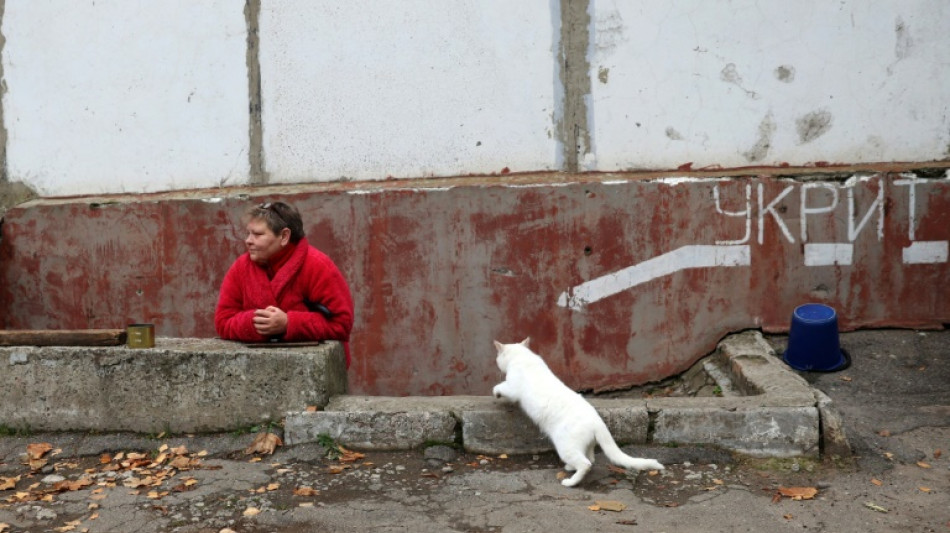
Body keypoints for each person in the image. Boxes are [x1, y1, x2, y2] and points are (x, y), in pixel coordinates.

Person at [215, 201, 354, 366]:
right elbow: (223, 321)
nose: (248, 241)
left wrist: (289, 323)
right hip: (254, 370)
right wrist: (257, 323)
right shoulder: (240, 268)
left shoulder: (318, 267)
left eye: (257, 235)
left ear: (284, 236)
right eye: (248, 233)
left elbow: (341, 324)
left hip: (315, 371)